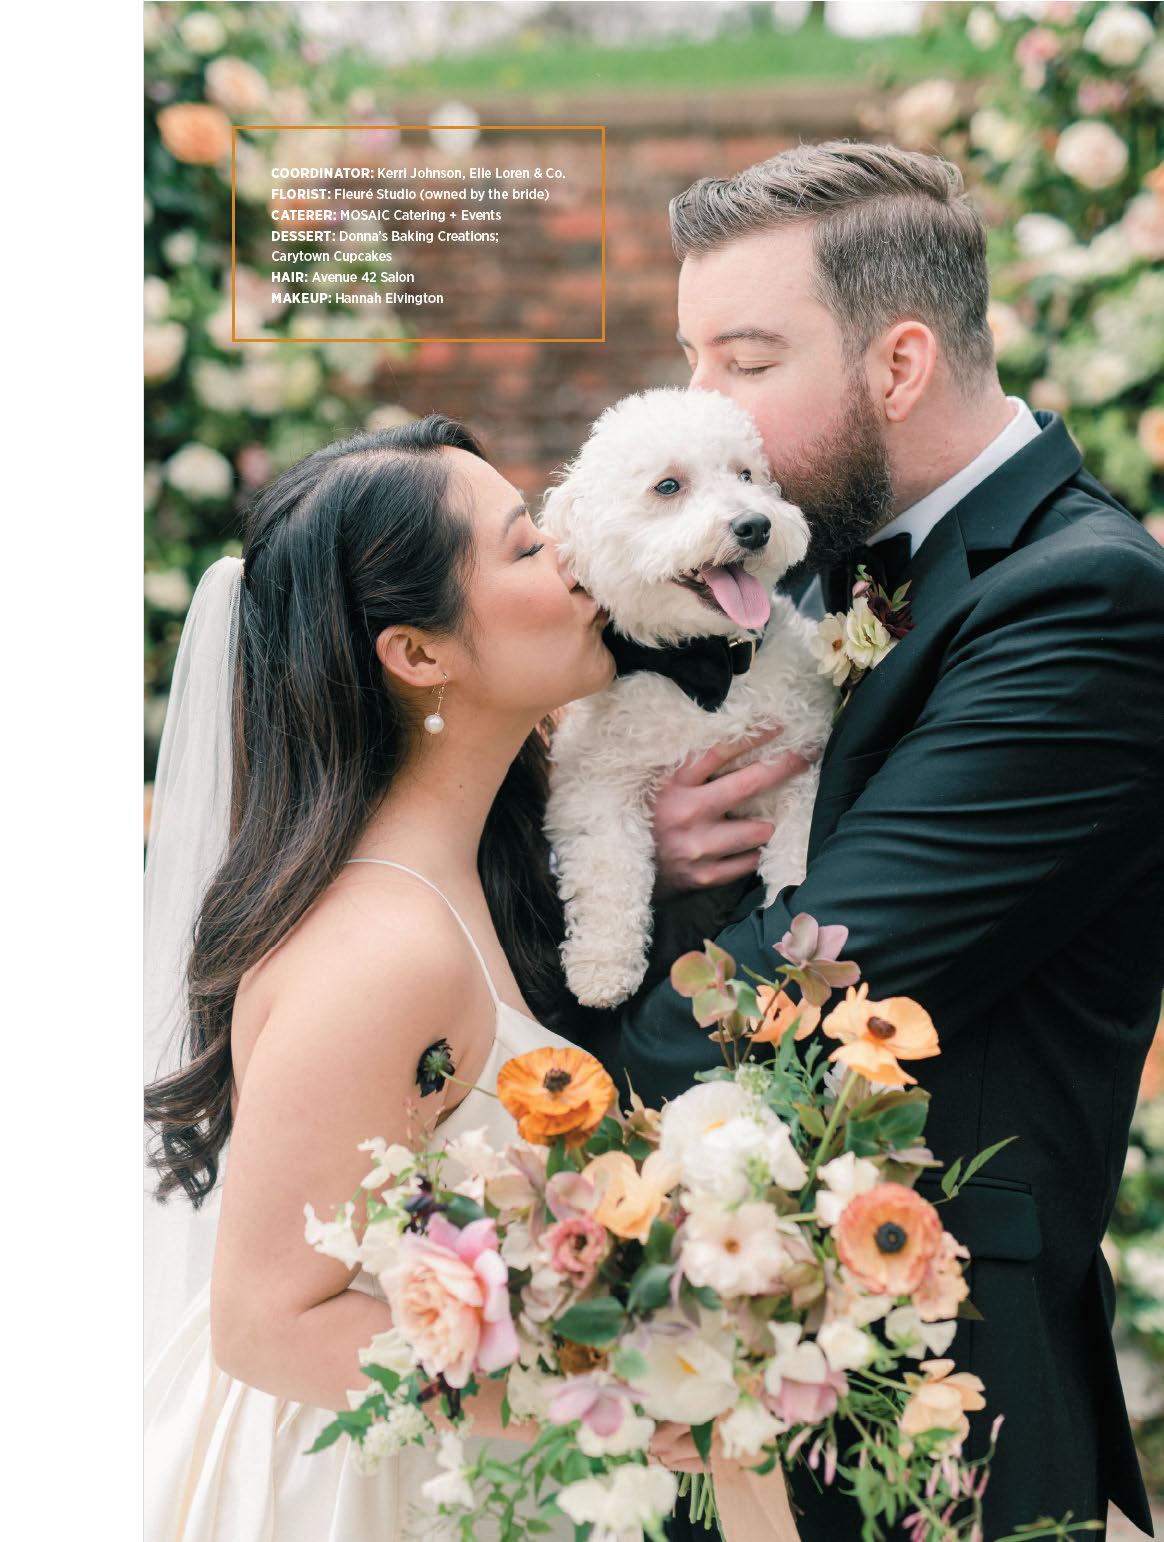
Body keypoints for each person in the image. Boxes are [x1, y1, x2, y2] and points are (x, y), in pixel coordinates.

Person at [613, 141, 1164, 1539]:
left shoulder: (1087, 603)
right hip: (746, 1362)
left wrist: (516, 1059)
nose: (701, 402)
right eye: (691, 356)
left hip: (935, 1394)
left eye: (745, 360)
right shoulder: (796, 557)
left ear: (901, 364)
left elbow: (820, 980)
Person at [143, 416, 731, 1541]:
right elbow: (264, 1323)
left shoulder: (472, 883)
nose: (574, 557)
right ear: (418, 654)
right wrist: (617, 1388)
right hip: (350, 1486)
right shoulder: (384, 951)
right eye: (527, 547)